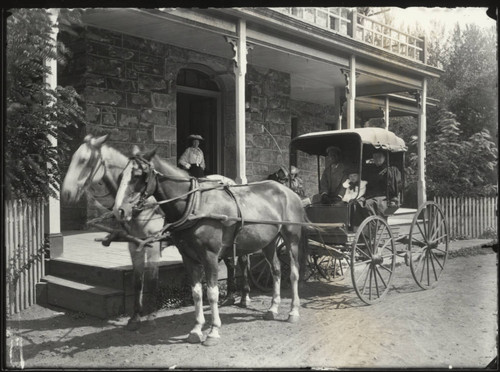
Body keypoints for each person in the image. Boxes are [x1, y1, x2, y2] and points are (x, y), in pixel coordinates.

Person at [354, 150, 402, 224]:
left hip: (386, 197)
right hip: (372, 196)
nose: (377, 159)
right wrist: (364, 196)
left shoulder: (391, 170)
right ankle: (358, 226)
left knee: (368, 204)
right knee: (357, 203)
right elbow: (369, 186)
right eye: (375, 157)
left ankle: (372, 225)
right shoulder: (372, 170)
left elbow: (394, 188)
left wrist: (393, 199)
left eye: (379, 156)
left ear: (384, 157)